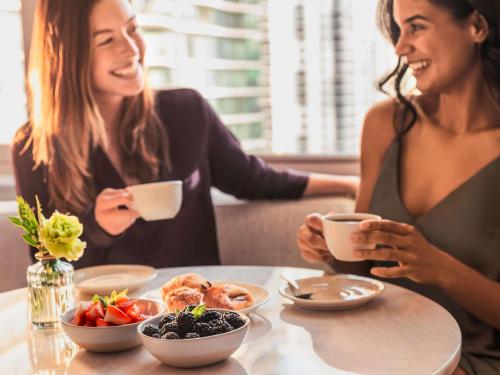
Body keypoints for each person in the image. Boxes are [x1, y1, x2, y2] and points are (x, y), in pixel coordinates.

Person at [12, 0, 358, 270]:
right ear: (68, 57)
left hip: (197, 321)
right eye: (106, 41)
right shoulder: (34, 148)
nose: (132, 50)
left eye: (133, 29)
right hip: (104, 331)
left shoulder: (185, 112)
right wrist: (96, 227)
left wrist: (349, 185)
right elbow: (48, 266)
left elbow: (255, 179)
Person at [297, 0, 500, 374]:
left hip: (469, 360)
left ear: (477, 27)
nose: (400, 47)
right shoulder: (385, 123)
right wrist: (332, 247)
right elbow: (360, 271)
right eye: (399, 29)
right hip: (376, 343)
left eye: (417, 27)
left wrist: (440, 267)